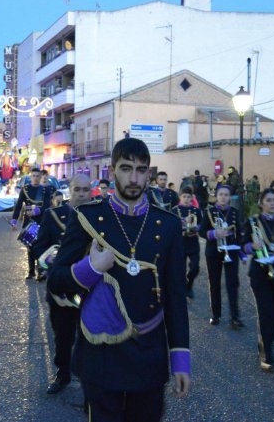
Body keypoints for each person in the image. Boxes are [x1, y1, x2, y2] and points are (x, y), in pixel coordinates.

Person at [49, 138, 190, 421]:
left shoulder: (169, 224)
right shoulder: (88, 217)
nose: (134, 178)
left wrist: (181, 360)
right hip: (101, 354)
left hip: (148, 352)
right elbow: (56, 280)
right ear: (113, 171)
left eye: (141, 170)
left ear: (149, 173)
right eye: (126, 168)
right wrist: (91, 267)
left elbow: (175, 297)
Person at [32, 174, 92, 395]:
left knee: (89, 335)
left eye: (86, 190)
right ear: (70, 191)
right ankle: (63, 373)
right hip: (61, 287)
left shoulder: (98, 217)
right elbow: (39, 246)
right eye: (78, 190)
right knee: (62, 333)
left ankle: (89, 379)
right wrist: (49, 262)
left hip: (89, 287)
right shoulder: (53, 216)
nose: (82, 194)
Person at [241, 188, 274, 372]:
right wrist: (251, 246)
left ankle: (266, 340)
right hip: (260, 272)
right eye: (268, 200)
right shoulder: (253, 222)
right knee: (266, 311)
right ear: (261, 203)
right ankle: (266, 351)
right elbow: (242, 246)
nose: (272, 203)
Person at [199, 185, 244, 328]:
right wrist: (214, 234)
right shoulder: (210, 212)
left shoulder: (235, 213)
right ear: (216, 196)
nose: (223, 197)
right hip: (213, 252)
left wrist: (242, 253)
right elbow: (201, 231)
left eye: (226, 195)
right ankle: (216, 315)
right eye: (221, 194)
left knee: (232, 284)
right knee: (215, 284)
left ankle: (235, 317)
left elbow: (240, 233)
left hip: (231, 251)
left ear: (230, 197)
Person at [10, 167, 52, 282]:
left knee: (40, 246)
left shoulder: (45, 190)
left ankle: (40, 271)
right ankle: (31, 271)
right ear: (30, 177)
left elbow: (47, 206)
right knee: (29, 247)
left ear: (40, 177)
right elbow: (19, 205)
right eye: (33, 176)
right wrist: (14, 220)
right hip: (28, 222)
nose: (36, 178)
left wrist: (38, 211)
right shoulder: (26, 189)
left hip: (41, 222)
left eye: (38, 176)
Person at [173, 187, 202, 300]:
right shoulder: (175, 210)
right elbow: (172, 227)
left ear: (192, 198)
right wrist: (184, 222)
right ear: (180, 197)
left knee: (195, 267)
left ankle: (188, 285)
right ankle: (181, 290)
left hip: (193, 242)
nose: (186, 199)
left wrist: (196, 227)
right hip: (180, 243)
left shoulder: (196, 211)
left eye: (188, 197)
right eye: (184, 196)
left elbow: (201, 225)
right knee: (180, 269)